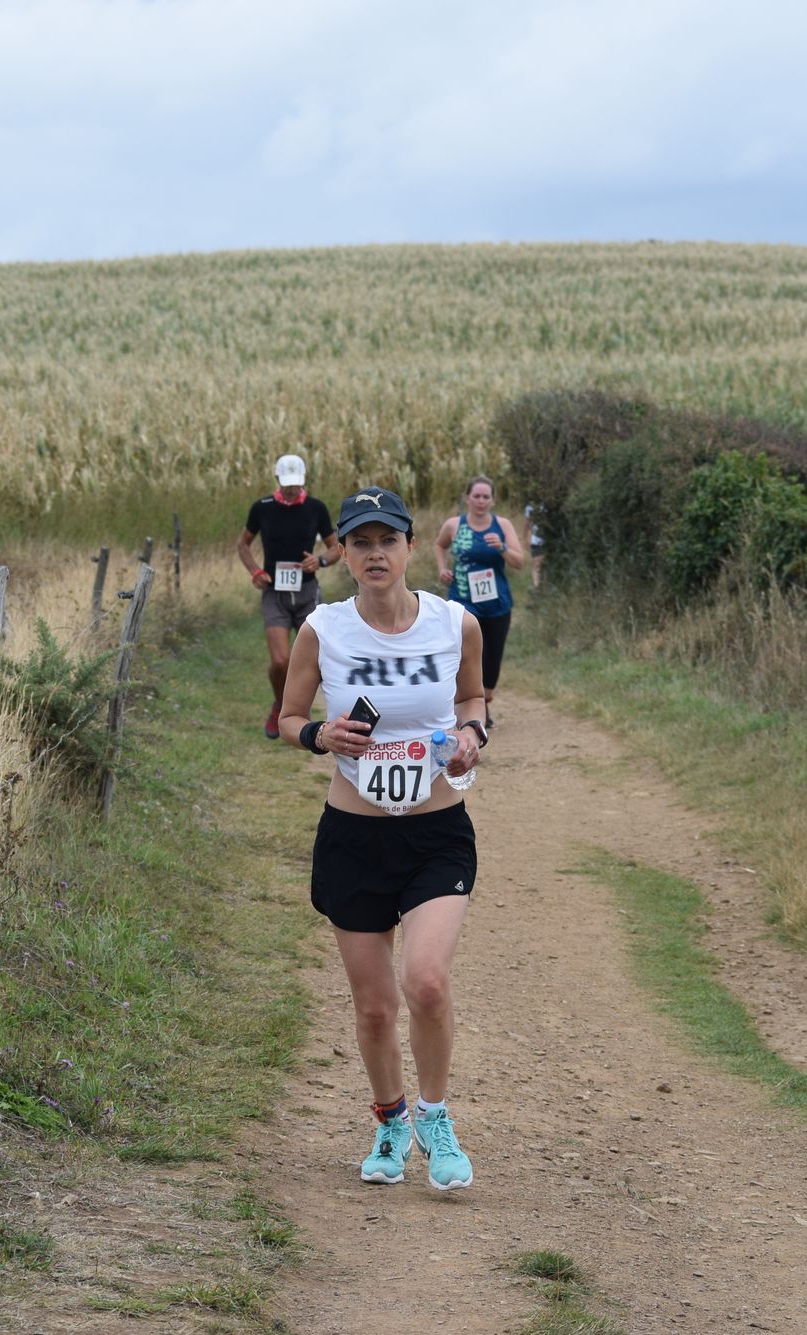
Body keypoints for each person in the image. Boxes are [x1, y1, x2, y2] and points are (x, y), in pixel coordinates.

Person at [278, 486, 489, 1192]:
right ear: (341, 552)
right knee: (374, 1007)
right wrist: (320, 735)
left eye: (387, 540)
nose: (375, 554)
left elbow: (473, 699)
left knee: (426, 980)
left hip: (436, 832)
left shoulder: (454, 622)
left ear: (409, 546)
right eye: (360, 542)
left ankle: (435, 1116)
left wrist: (470, 735)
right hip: (353, 838)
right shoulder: (323, 629)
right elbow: (288, 716)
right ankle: (391, 1121)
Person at [237, 454, 340, 738]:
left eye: (296, 484)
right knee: (281, 661)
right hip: (274, 593)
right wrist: (255, 571)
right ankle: (280, 706)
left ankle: (315, 712)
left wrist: (319, 561)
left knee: (318, 659)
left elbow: (336, 548)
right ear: (277, 479)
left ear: (303, 481)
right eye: (286, 484)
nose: (291, 489)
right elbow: (243, 544)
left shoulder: (316, 508)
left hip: (307, 593)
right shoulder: (262, 508)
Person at [436, 476, 525, 731]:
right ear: (468, 498)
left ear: (492, 500)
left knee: (492, 659)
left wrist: (502, 547)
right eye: (476, 496)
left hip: (497, 603)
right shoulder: (454, 524)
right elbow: (440, 545)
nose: (481, 501)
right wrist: (442, 569)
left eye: (486, 497)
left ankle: (484, 699)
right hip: (463, 600)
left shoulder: (502, 525)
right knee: (467, 655)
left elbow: (519, 562)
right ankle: (470, 708)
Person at [522, 499, 546, 589]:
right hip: (536, 540)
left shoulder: (552, 504)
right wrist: (525, 539)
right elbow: (527, 524)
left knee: (544, 564)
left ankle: (545, 586)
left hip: (551, 539)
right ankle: (537, 588)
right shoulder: (530, 506)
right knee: (537, 564)